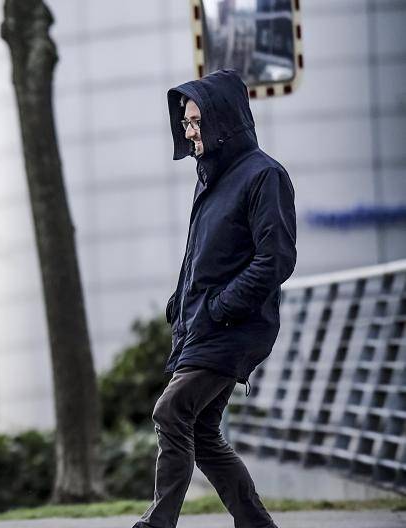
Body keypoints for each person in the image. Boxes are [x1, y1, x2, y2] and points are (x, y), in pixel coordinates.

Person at [133, 69, 296, 528]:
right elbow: (203, 258)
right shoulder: (211, 179)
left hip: (234, 327)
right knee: (202, 432)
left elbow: (275, 259)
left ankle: (159, 522)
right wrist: (179, 301)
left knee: (170, 410)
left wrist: (220, 307)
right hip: (202, 325)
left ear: (223, 120)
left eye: (195, 121)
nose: (189, 131)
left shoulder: (265, 176)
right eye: (184, 123)